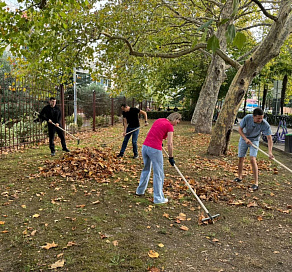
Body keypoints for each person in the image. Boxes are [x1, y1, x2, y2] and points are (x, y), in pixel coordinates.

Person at [136, 112, 182, 204]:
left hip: (145, 147)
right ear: (175, 119)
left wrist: (159, 139)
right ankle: (158, 198)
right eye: (178, 121)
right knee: (159, 173)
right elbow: (170, 143)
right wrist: (171, 157)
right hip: (154, 150)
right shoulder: (170, 126)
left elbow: (149, 132)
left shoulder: (159, 120)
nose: (178, 123)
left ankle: (140, 191)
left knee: (146, 169)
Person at [234, 108, 274, 191]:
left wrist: (270, 152)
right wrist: (245, 139)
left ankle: (256, 183)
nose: (260, 120)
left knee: (253, 159)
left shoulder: (264, 124)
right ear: (253, 116)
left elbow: (269, 138)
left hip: (254, 140)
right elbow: (240, 130)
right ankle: (239, 177)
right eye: (258, 118)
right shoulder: (247, 118)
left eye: (262, 118)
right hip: (244, 139)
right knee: (241, 158)